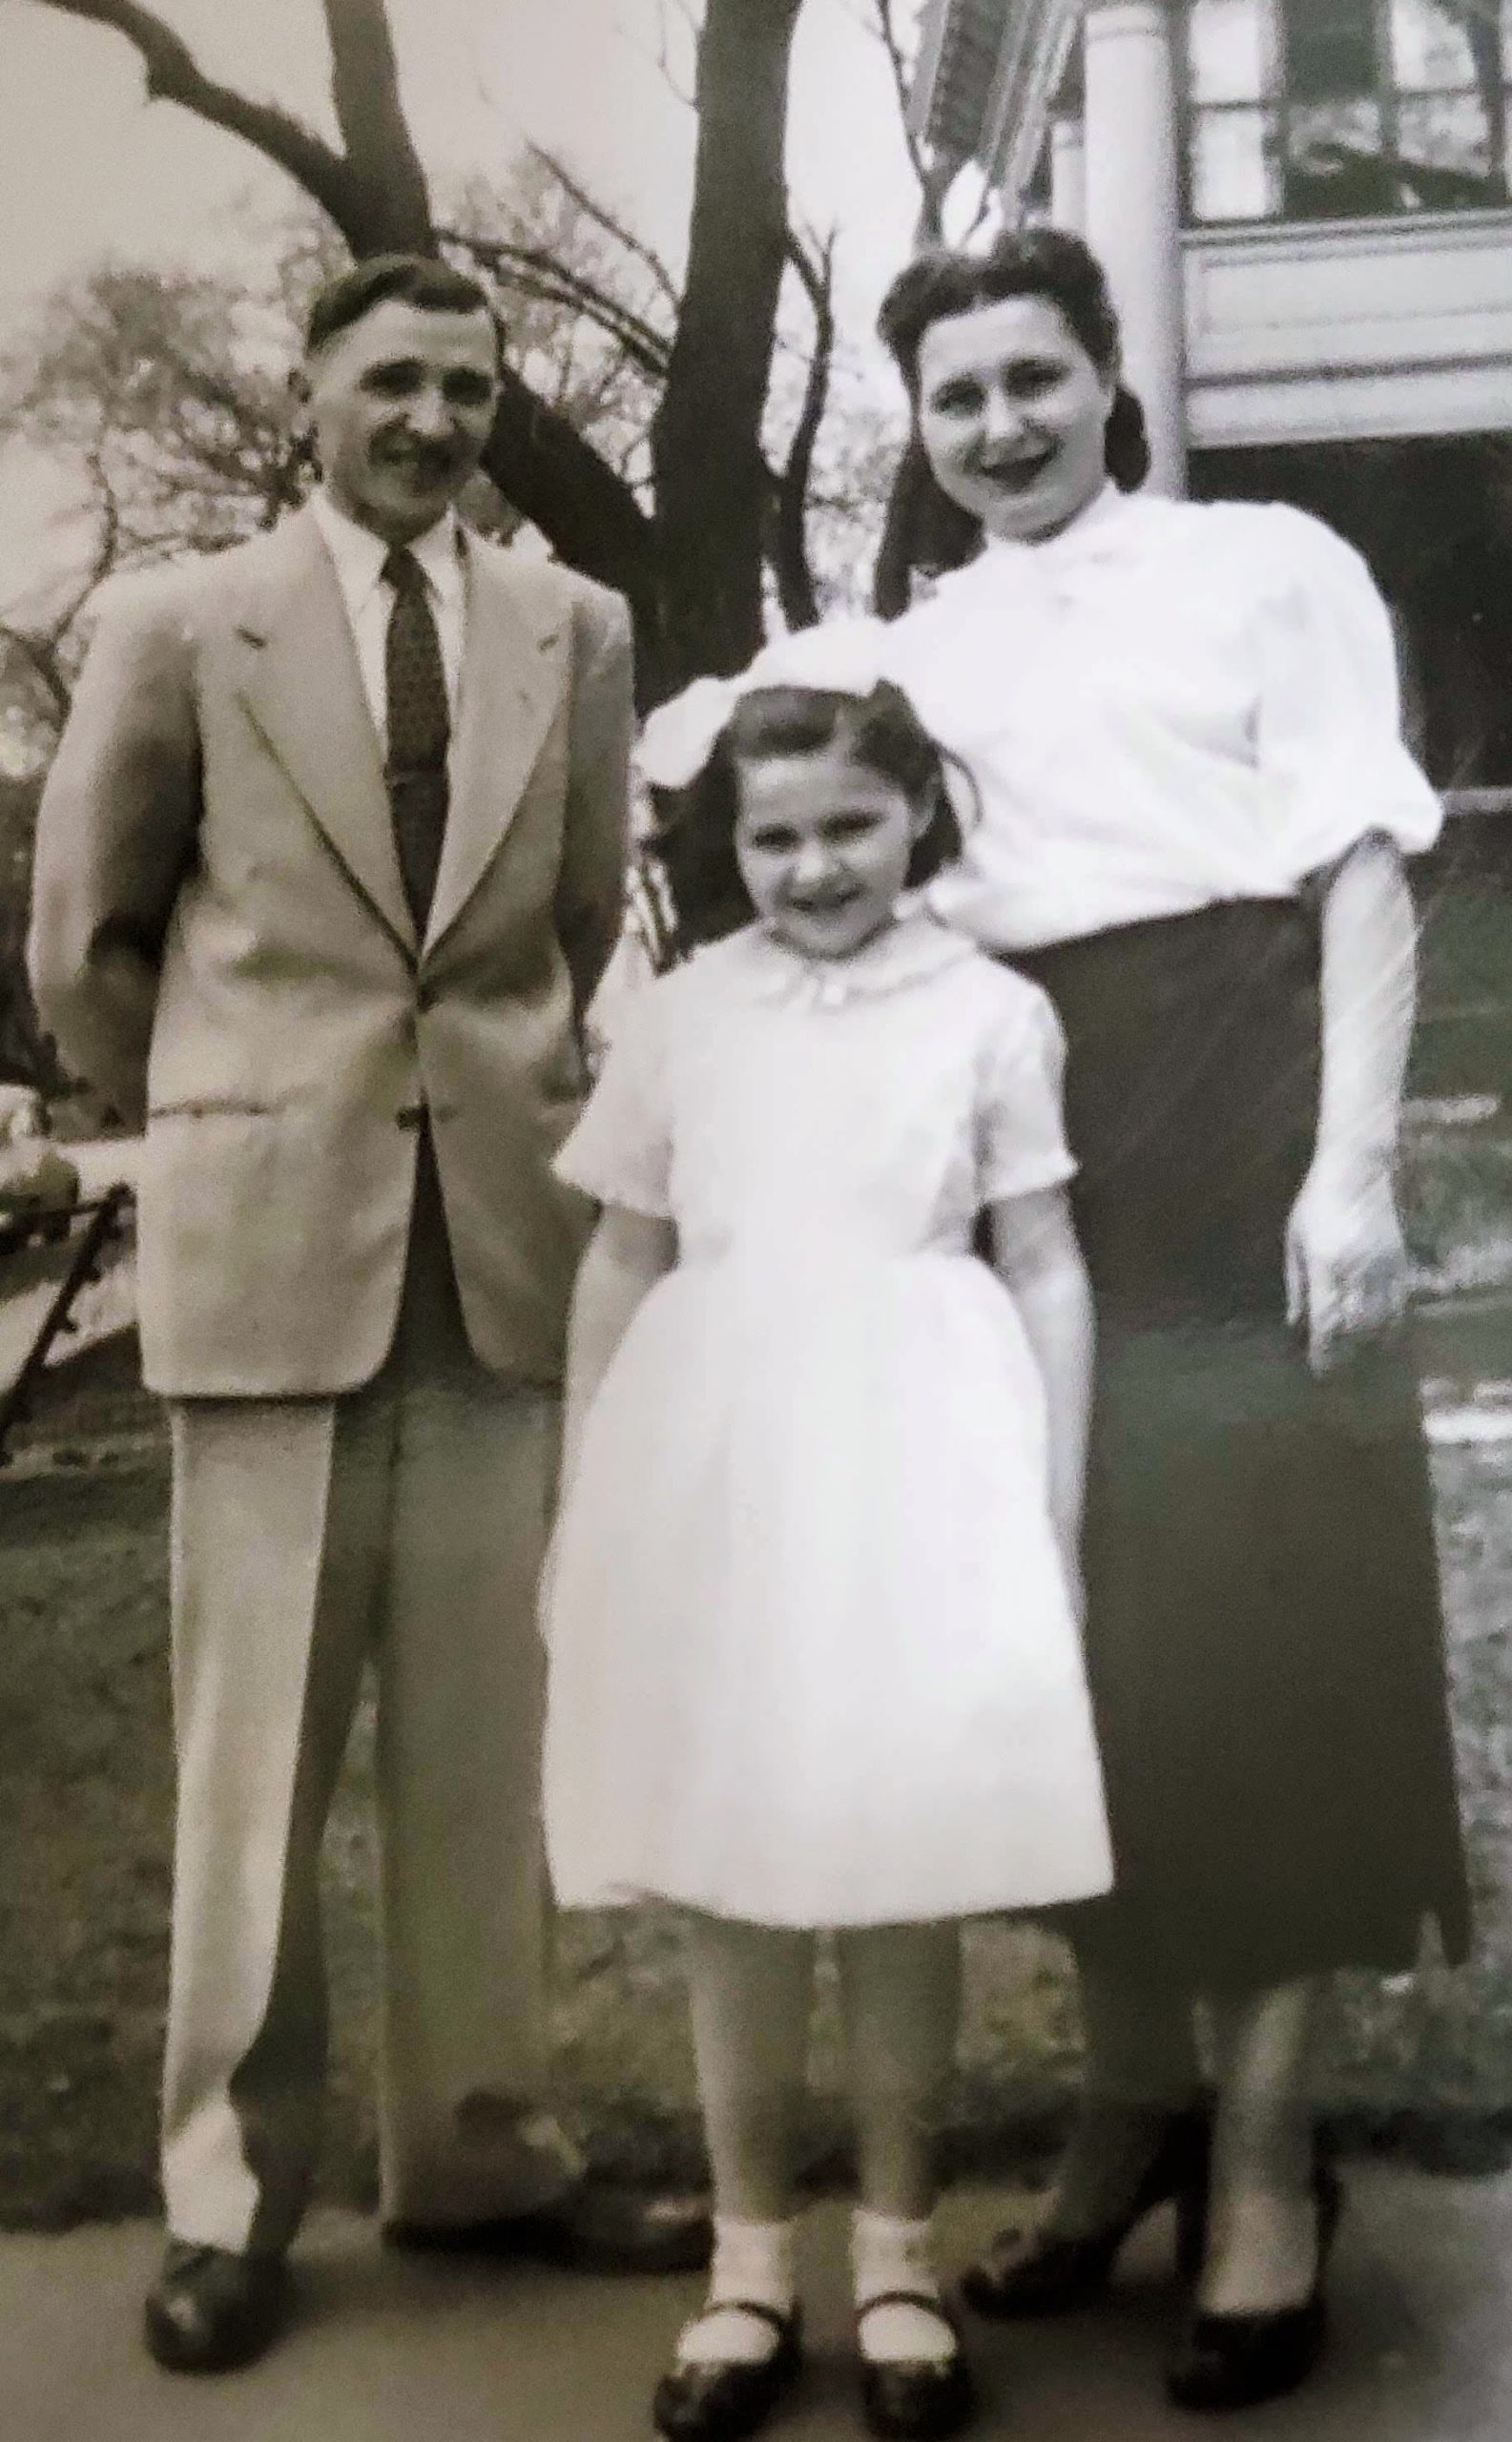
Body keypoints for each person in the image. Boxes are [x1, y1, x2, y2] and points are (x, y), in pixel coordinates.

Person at [27, 252, 706, 2376]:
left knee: (482, 1741)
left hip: (495, 1252)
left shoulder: (573, 630)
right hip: (266, 1258)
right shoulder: (174, 622)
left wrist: (470, 1116)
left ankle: (484, 2149)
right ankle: (228, 2188)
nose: (431, 420)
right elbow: (86, 940)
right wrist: (231, 1120)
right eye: (392, 380)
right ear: (308, 387)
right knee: (255, 1761)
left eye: (468, 391)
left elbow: (581, 910)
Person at [868, 227, 1471, 2411]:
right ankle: (1127, 2106)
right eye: (958, 398)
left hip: (1243, 1121)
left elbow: (1363, 870)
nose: (1001, 426)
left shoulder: (1261, 562)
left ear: (1110, 377)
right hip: (1027, 1150)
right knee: (1071, 1647)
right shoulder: (906, 643)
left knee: (1263, 1641)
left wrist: (1351, 1164)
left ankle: (1263, 2165)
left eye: (1036, 377)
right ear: (917, 430)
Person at [540, 622, 1114, 2442]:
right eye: (777, 838)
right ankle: (746, 2265)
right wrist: (584, 1498)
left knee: (892, 1874)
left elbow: (1040, 1263)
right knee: (734, 1878)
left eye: (852, 827)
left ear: (915, 821)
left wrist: (1052, 1504)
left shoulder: (987, 1012)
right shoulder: (683, 1012)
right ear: (732, 845)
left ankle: (892, 2257)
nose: (815, 869)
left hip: (916, 1462)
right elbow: (621, 1257)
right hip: (722, 1471)